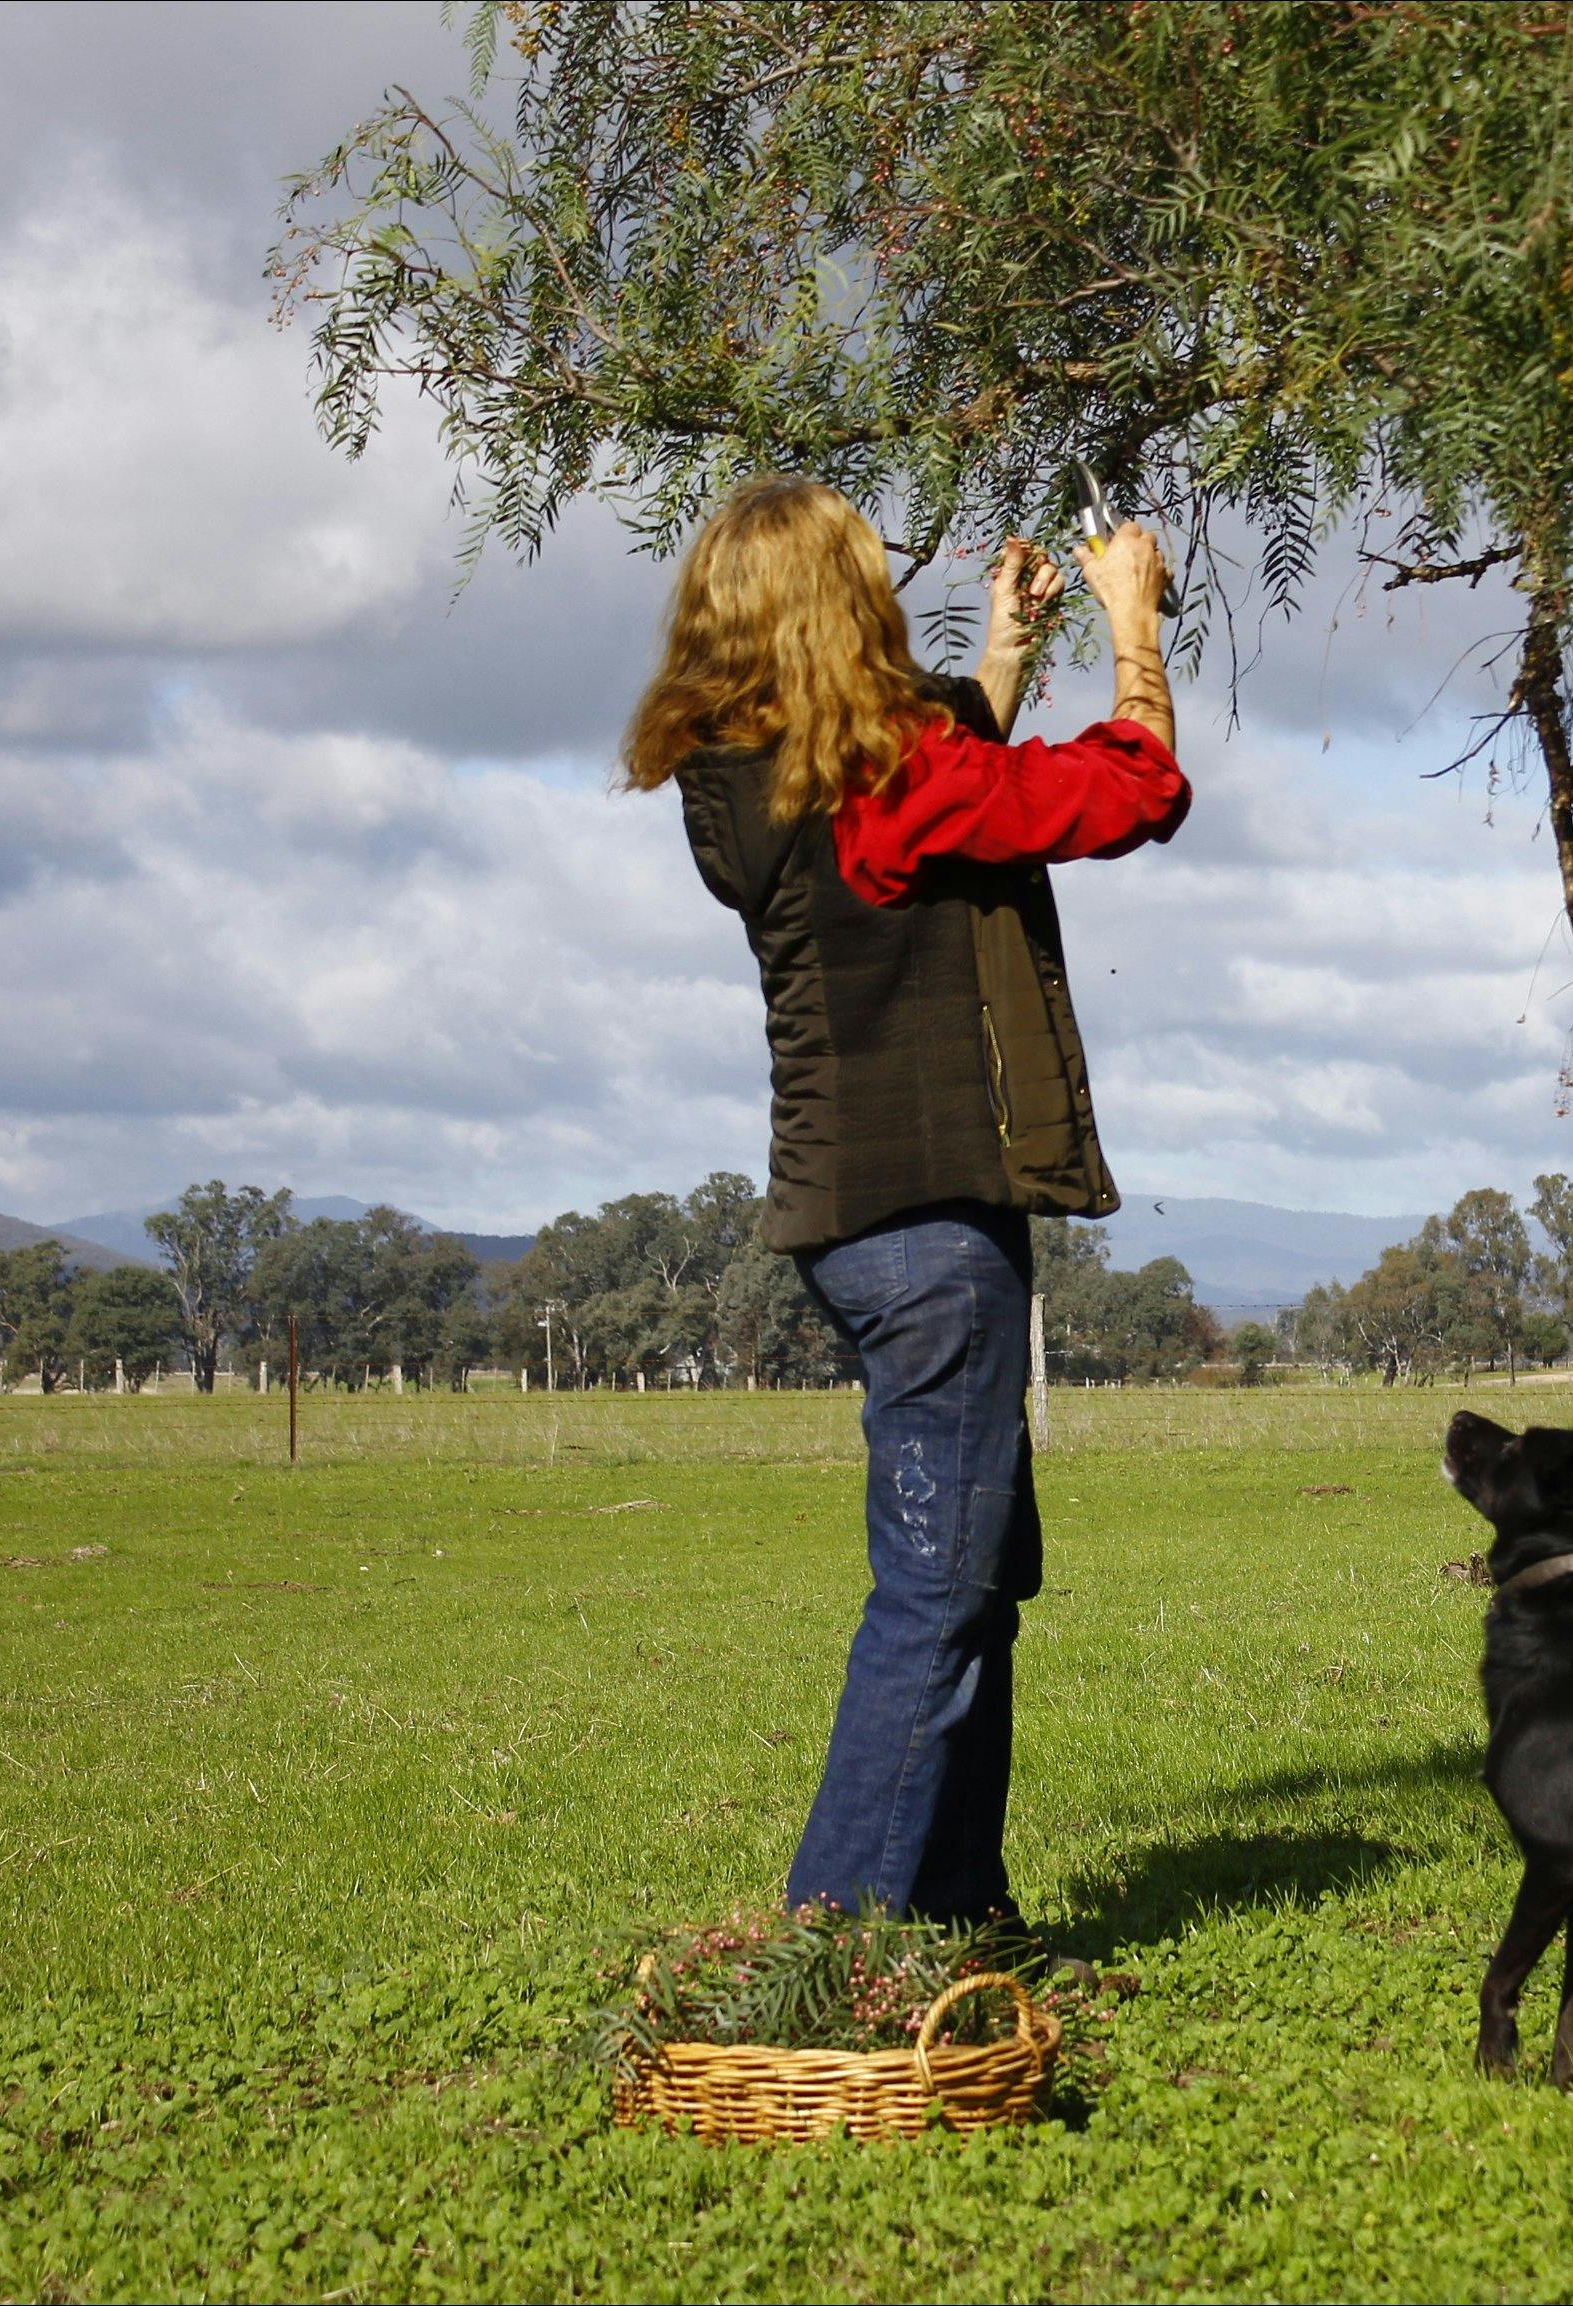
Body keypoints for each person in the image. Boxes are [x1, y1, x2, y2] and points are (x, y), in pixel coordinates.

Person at [621, 475, 1184, 1927]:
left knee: (974, 1575)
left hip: (848, 1221)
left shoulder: (751, 777)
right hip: (933, 1228)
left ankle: (953, 1918)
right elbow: (1131, 788)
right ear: (835, 607)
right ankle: (836, 1948)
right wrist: (1134, 628)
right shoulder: (885, 780)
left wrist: (1000, 653)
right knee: (939, 1591)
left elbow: (926, 806)